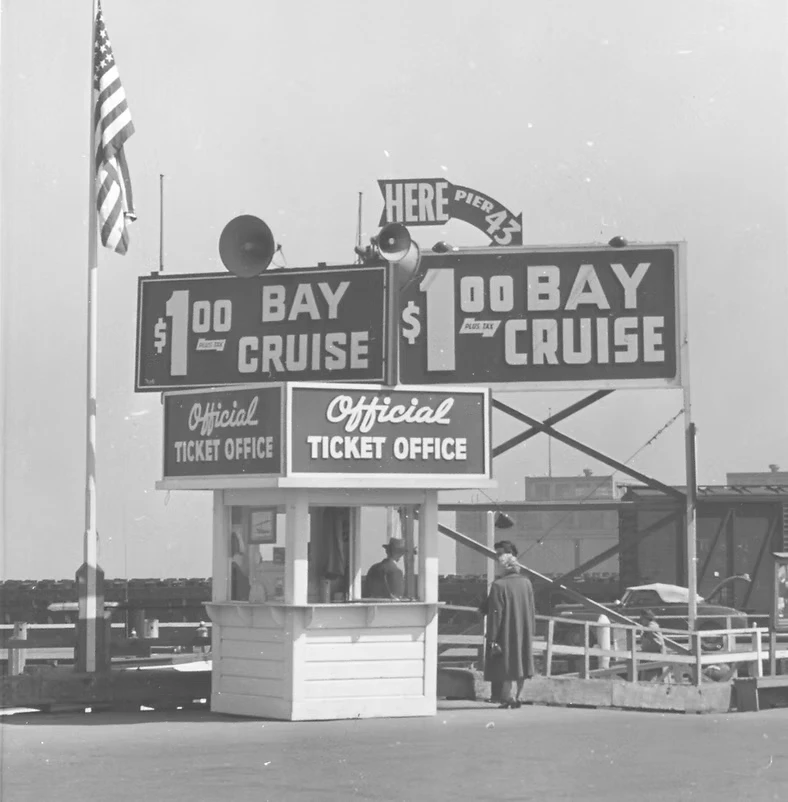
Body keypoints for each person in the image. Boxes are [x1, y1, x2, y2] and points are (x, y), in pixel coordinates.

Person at [482, 548, 536, 708]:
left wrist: (491, 637)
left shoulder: (498, 586)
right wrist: (531, 630)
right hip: (524, 630)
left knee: (506, 664)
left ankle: (508, 697)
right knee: (521, 662)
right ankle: (518, 696)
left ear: (503, 567)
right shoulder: (526, 583)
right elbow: (532, 609)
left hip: (506, 631)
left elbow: (495, 615)